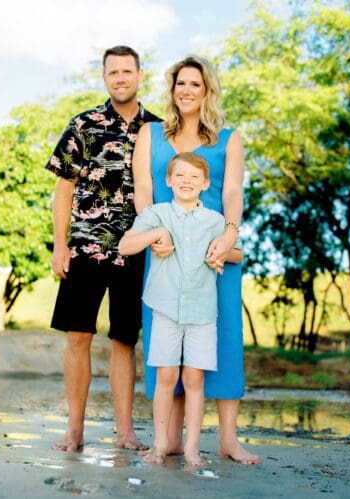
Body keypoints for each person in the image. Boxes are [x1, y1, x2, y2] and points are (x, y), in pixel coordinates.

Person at [133, 55, 261, 464]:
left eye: (195, 84)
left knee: (222, 341)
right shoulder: (149, 134)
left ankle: (227, 440)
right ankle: (167, 439)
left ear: (207, 91)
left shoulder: (229, 138)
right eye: (180, 83)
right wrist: (152, 235)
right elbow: (142, 191)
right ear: (172, 89)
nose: (186, 91)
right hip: (165, 252)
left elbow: (234, 194)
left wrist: (229, 234)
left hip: (216, 254)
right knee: (164, 348)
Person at [45, 45, 161, 452]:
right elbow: (63, 191)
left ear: (140, 74)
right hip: (84, 248)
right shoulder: (84, 125)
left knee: (124, 340)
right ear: (105, 77)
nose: (120, 78)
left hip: (136, 251)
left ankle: (125, 431)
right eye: (113, 72)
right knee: (78, 336)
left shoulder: (158, 130)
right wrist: (60, 245)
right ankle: (74, 430)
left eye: (127, 71)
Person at [119, 152, 241, 466]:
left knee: (195, 380)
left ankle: (191, 448)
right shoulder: (157, 213)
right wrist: (157, 234)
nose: (187, 182)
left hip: (202, 311)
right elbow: (125, 245)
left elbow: (237, 254)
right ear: (169, 181)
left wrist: (220, 251)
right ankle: (160, 445)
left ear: (205, 184)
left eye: (194, 177)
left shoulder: (214, 220)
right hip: (164, 307)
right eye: (181, 176)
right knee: (166, 375)